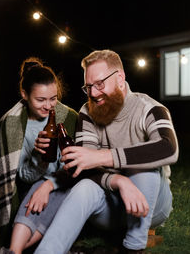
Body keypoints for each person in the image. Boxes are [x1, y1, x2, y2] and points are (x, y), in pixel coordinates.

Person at [34, 49, 178, 254]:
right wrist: (120, 181)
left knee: (143, 167)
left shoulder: (150, 108)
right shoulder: (87, 112)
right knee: (84, 186)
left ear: (120, 78)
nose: (93, 93)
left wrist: (103, 156)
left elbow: (169, 148)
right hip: (111, 206)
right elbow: (83, 168)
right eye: (89, 87)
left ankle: (133, 247)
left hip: (152, 205)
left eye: (100, 84)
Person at [0, 57, 78, 254]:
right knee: (35, 200)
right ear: (24, 94)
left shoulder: (69, 117)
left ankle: (14, 250)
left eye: (53, 98)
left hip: (66, 185)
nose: (48, 106)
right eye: (40, 100)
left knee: (44, 195)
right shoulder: (11, 125)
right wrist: (38, 158)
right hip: (29, 190)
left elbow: (76, 169)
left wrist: (48, 186)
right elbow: (20, 177)